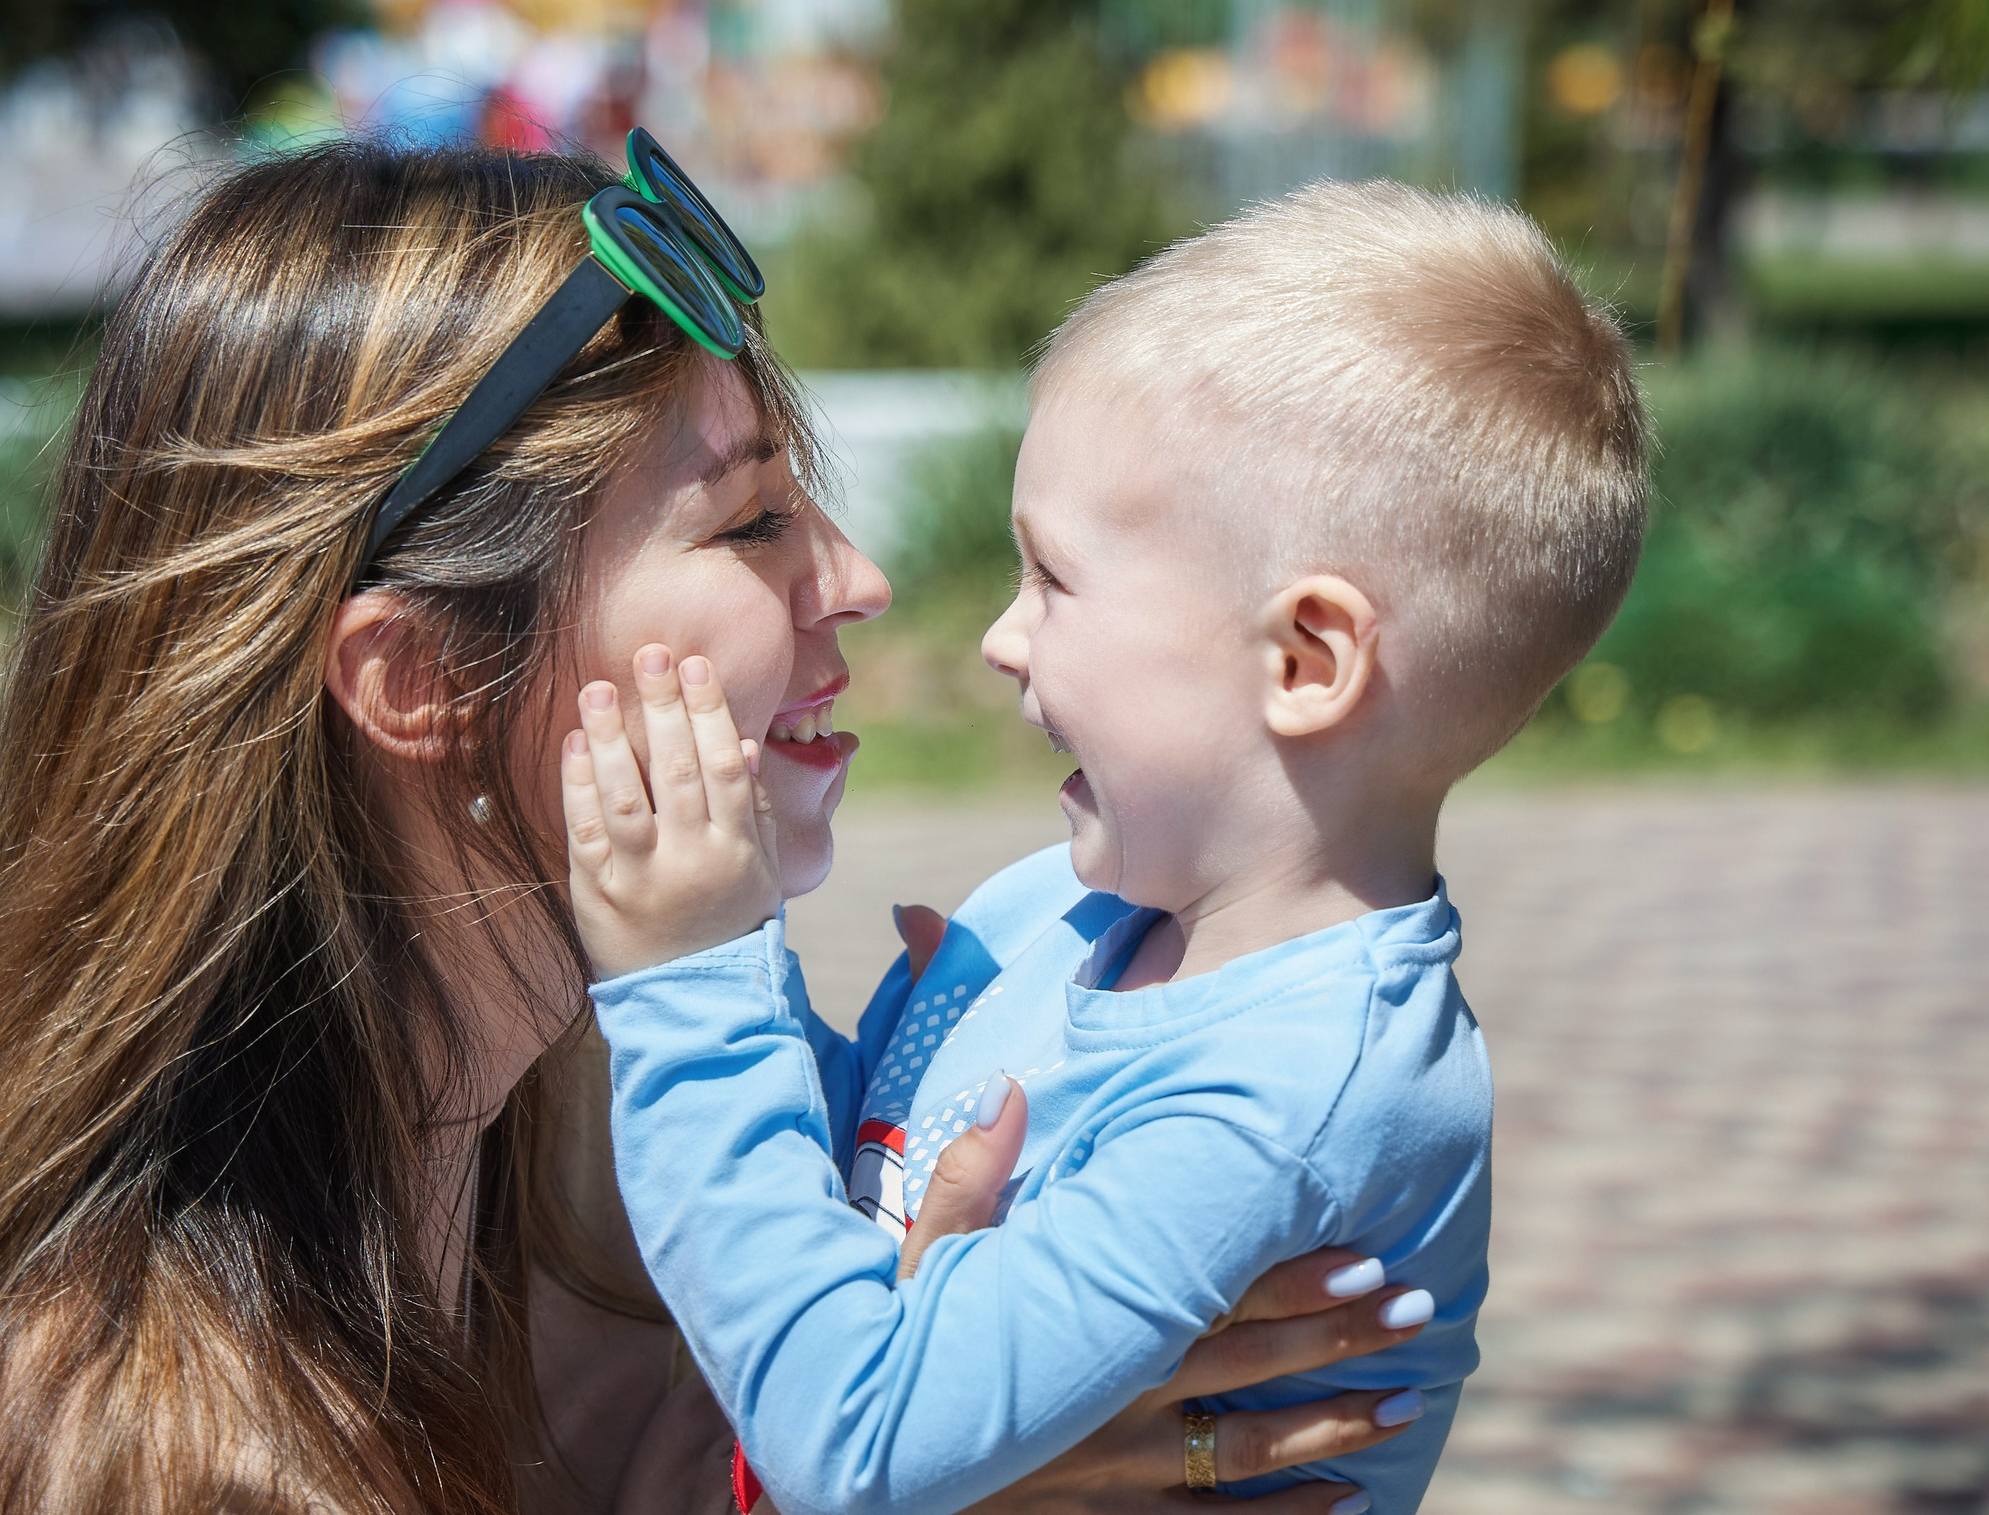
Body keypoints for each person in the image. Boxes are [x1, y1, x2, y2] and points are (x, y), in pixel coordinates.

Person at [0, 141, 1419, 1514]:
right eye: (751, 519)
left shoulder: (588, 1146)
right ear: (420, 676)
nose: (860, 579)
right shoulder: (133, 1425)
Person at [561, 182, 1654, 1515]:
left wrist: (699, 982)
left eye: (1052, 580)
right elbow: (852, 1175)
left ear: (1305, 658)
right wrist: (758, 991)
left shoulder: (1295, 1092)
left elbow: (855, 1447)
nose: (1001, 638)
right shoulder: (1072, 908)